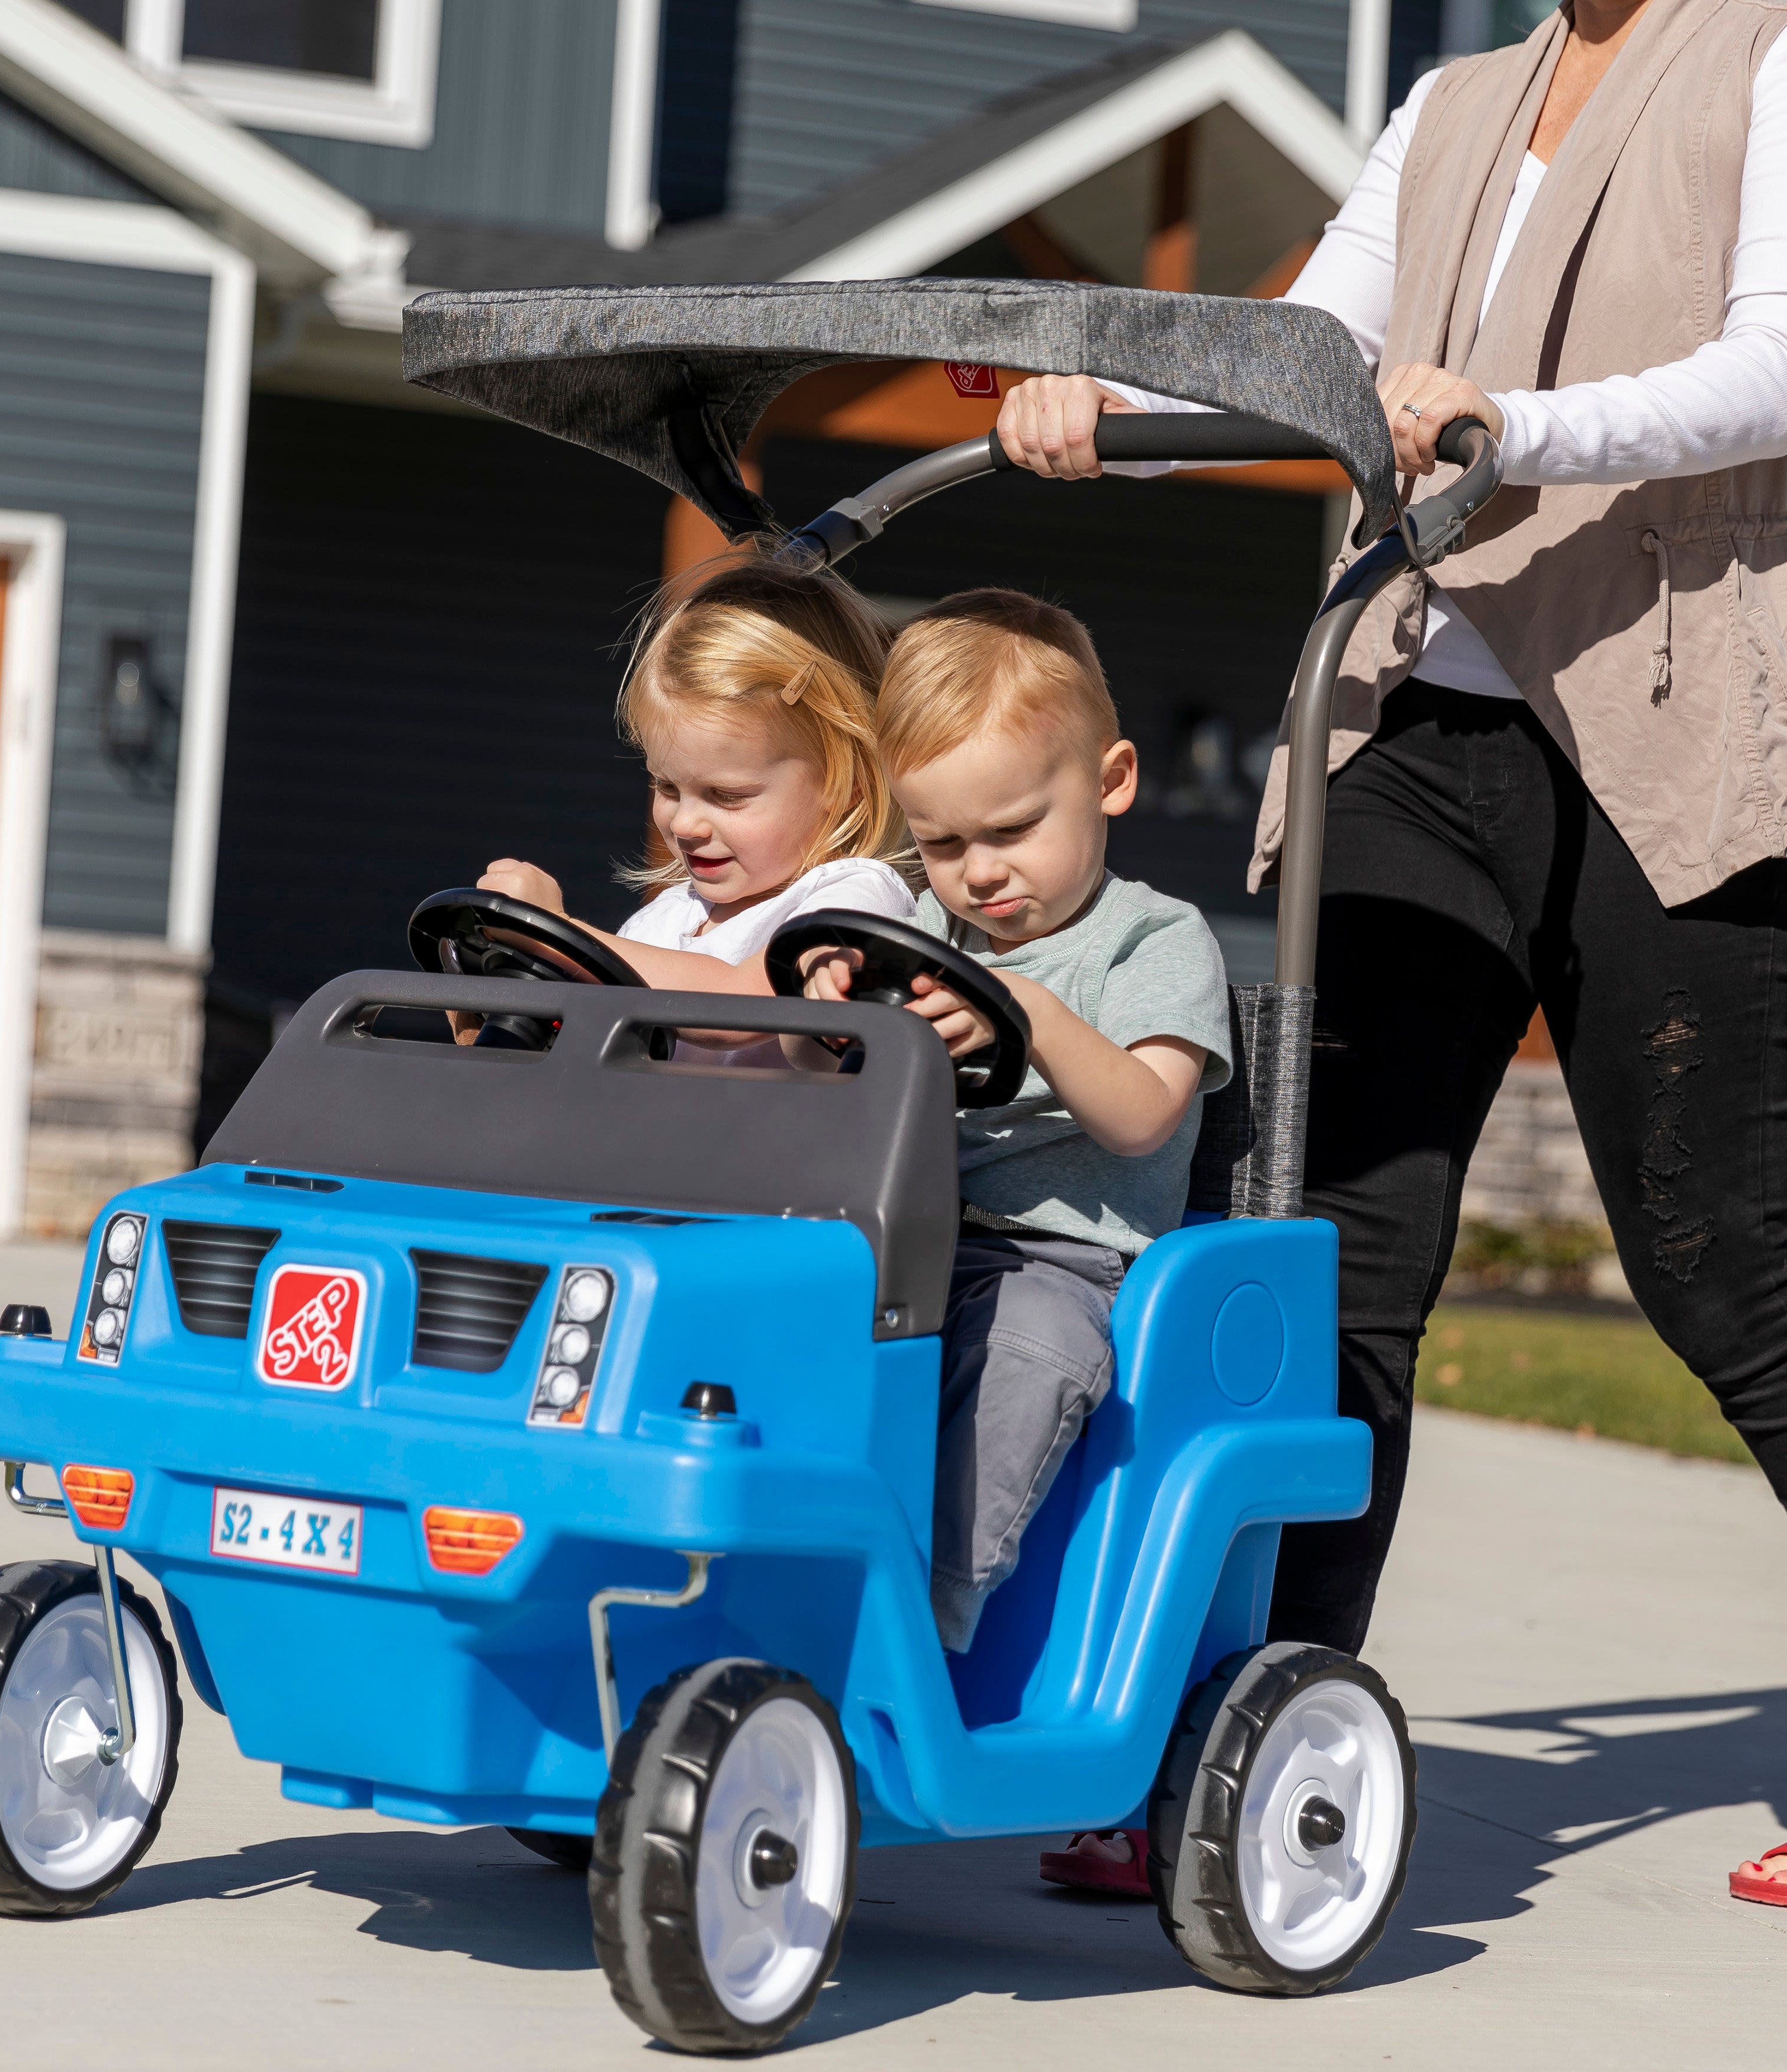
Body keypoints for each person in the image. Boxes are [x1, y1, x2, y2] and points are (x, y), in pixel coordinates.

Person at [993, 0, 1787, 1903]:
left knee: (1731, 1272)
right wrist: (1105, 414)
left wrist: (1520, 429)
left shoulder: (1765, 58)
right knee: (1317, 1256)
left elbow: (1770, 366)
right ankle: (1241, 1741)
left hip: (1662, 721)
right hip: (1407, 730)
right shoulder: (1444, 105)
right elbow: (1306, 360)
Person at [805, 590, 1229, 1642]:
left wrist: (1031, 1013)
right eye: (943, 842)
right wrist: (827, 980)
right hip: (905, 1238)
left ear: (1110, 781)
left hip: (1064, 1264)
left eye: (1012, 830)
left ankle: (931, 1616)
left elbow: (1143, 1117)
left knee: (1029, 1353)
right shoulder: (924, 926)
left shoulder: (1154, 942)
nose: (980, 872)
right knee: (776, 1310)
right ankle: (771, 1560)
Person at [474, 555, 917, 1064]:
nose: (684, 824)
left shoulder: (854, 898)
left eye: (727, 795)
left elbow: (737, 1006)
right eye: (666, 786)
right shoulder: (658, 923)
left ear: (849, 785)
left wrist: (556, 933)